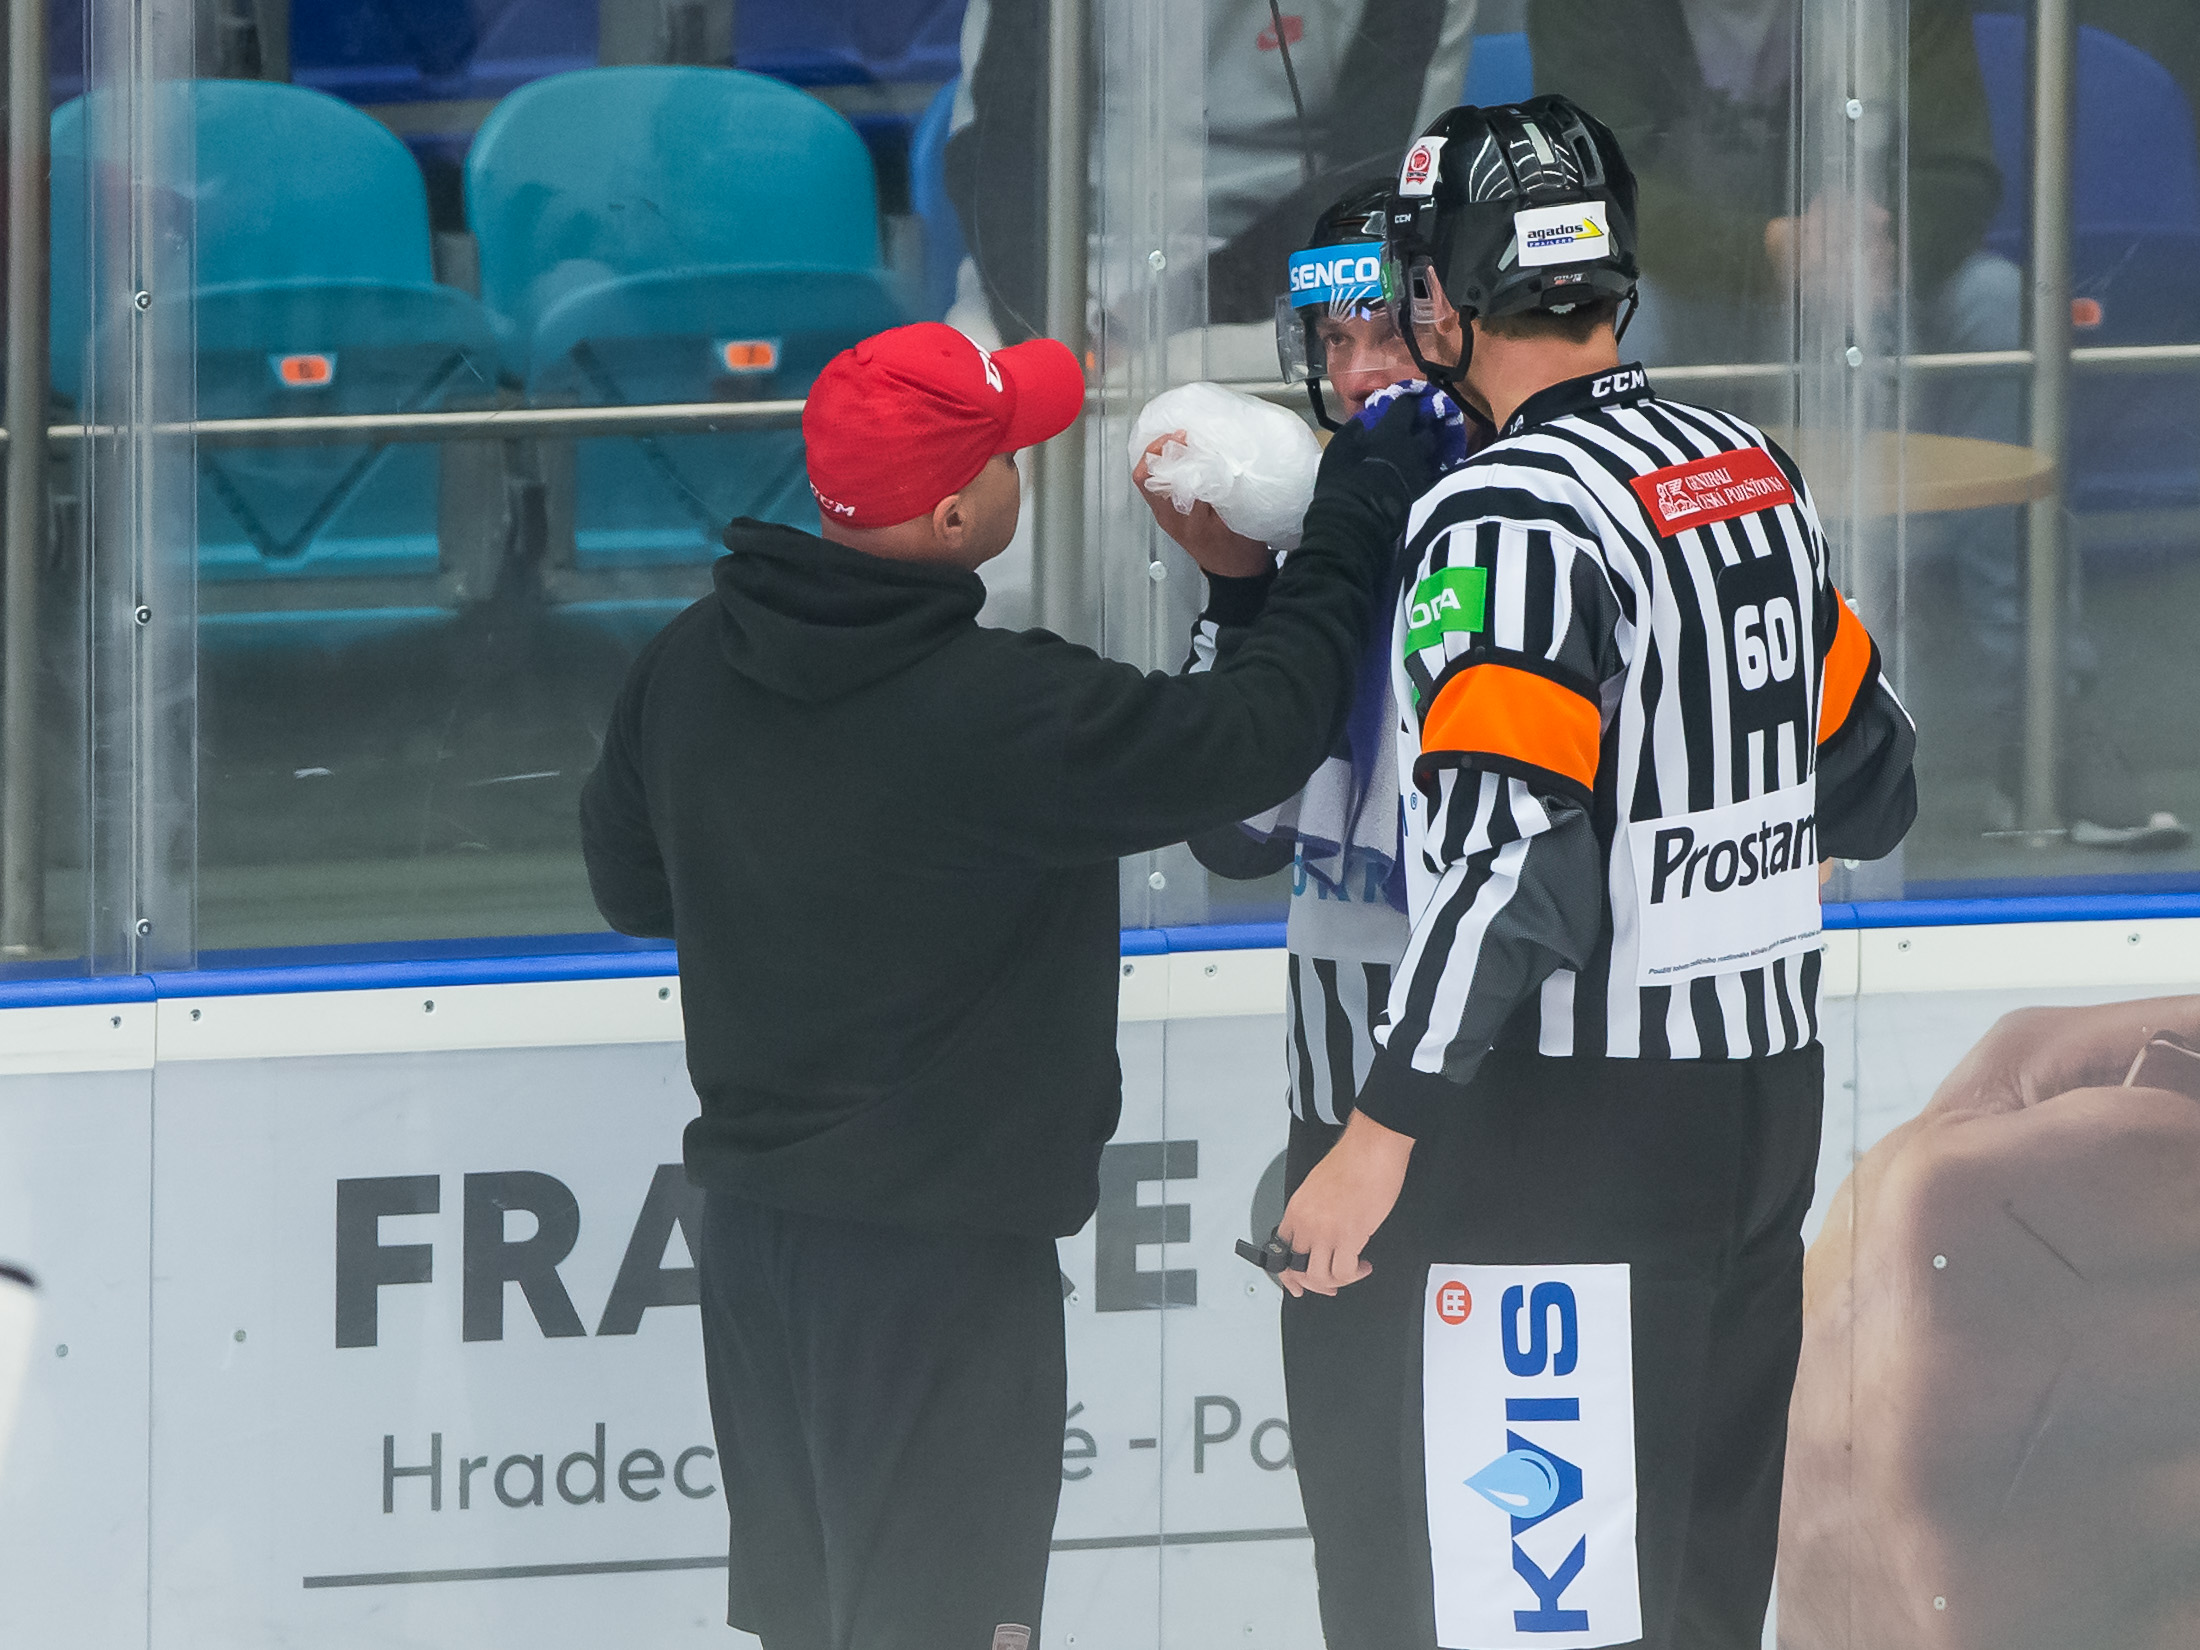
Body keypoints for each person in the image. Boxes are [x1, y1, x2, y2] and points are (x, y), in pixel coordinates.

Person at [576, 319, 1455, 1650]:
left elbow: (635, 889)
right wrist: (1346, 516)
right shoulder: (998, 708)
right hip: (935, 1271)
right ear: (949, 514)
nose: (1019, 471)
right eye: (1003, 455)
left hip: (755, 1243)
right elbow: (1254, 738)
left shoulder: (688, 660)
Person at [1272, 97, 1919, 1649]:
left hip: (1567, 1140)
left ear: (1441, 294)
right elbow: (1876, 776)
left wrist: (1377, 1129)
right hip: (1761, 1101)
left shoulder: (1503, 513)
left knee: (1541, 1600)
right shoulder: (1743, 469)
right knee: (1696, 1586)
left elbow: (1515, 870)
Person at [1528, 0, 2187, 848]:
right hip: (1680, 279)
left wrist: (1882, 242)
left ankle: (2043, 723)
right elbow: (1585, 194)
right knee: (1606, 330)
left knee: (1996, 310)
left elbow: (1957, 171)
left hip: (1867, 275)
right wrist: (1770, 250)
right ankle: (1622, 729)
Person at [1138, 181, 1494, 1650]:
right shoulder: (1311, 547)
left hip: (1515, 1095)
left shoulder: (1542, 527)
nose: (1355, 378)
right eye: (1330, 343)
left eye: (1385, 336)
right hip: (1334, 1100)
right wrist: (1237, 595)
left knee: (1525, 1530)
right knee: (1364, 1527)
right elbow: (1226, 832)